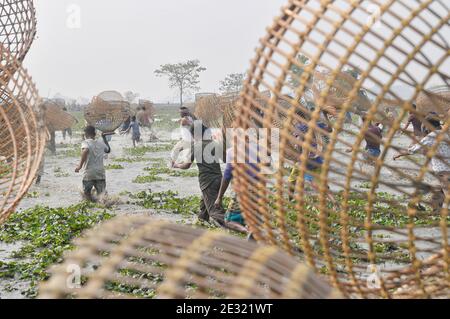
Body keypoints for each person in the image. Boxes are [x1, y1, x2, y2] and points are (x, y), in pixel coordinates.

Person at [394, 113, 450, 213]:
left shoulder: (432, 136)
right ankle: (436, 212)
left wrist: (399, 154)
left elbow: (415, 148)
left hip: (443, 171)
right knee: (437, 194)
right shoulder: (445, 133)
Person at [173, 121, 225, 226]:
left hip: (207, 182)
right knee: (204, 209)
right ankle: (201, 223)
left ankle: (232, 227)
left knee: (215, 213)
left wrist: (176, 165)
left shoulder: (196, 146)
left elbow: (186, 166)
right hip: (219, 180)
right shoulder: (215, 143)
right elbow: (224, 159)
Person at [75, 126, 111, 202]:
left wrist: (79, 166)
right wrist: (104, 138)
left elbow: (85, 150)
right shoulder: (101, 142)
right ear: (94, 134)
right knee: (102, 195)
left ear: (86, 133)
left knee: (86, 196)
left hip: (89, 173)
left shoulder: (86, 142)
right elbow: (108, 150)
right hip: (100, 173)